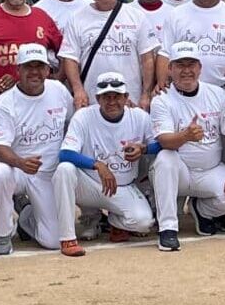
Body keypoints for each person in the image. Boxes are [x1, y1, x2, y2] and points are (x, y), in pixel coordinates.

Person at [147, 41, 225, 249]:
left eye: (191, 64)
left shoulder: (217, 94)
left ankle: (202, 210)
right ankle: (168, 228)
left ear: (200, 67)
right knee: (166, 158)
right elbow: (164, 140)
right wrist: (185, 136)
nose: (186, 71)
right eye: (180, 65)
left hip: (209, 170)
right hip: (179, 172)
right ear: (170, 69)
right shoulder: (162, 99)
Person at [0, 45, 83, 256]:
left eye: (39, 67)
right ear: (18, 71)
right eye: (28, 67)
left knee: (52, 241)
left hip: (48, 174)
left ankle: (27, 216)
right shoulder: (5, 102)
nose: (34, 72)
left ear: (48, 70)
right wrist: (21, 162)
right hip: (18, 168)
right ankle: (2, 233)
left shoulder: (58, 90)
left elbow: (73, 122)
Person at [55, 71, 158, 243]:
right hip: (89, 184)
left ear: (126, 97)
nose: (111, 102)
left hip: (122, 186)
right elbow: (65, 153)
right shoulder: (84, 116)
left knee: (144, 223)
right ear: (97, 98)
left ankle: (114, 221)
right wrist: (97, 165)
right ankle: (68, 238)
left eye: (116, 96)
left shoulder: (140, 117)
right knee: (64, 170)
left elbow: (160, 143)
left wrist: (144, 149)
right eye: (106, 97)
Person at [61, 0, 162, 109]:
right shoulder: (77, 18)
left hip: (131, 100)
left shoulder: (136, 16)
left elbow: (147, 59)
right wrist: (78, 90)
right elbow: (70, 59)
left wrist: (145, 94)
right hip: (92, 101)